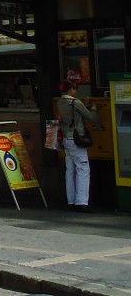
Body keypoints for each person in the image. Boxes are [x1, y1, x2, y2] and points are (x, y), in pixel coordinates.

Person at [60, 76, 99, 212]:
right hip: (77, 139)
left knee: (70, 170)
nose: (75, 92)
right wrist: (93, 107)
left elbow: (74, 115)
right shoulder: (75, 102)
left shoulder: (60, 101)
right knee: (83, 169)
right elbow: (92, 118)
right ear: (71, 89)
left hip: (66, 139)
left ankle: (71, 200)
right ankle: (82, 201)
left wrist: (84, 105)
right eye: (75, 89)